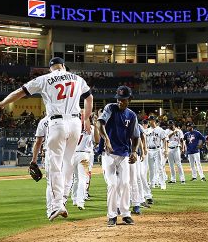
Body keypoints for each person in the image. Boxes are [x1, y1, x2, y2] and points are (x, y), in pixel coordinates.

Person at [0, 57, 93, 221]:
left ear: (51, 69)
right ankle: (63, 200)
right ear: (63, 66)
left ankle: (56, 206)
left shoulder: (45, 78)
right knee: (68, 164)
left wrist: (2, 104)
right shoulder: (77, 78)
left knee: (54, 166)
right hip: (76, 123)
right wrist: (86, 119)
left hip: (56, 122)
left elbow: (20, 92)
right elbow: (89, 98)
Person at [97, 85, 140, 227]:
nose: (120, 102)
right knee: (112, 184)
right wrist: (107, 140)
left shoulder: (132, 115)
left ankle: (126, 214)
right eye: (119, 99)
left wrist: (134, 151)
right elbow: (100, 123)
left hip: (124, 154)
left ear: (129, 99)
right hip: (108, 154)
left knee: (125, 183)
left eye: (123, 99)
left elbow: (135, 137)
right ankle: (112, 216)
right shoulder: (110, 108)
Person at [71, 113, 99, 210]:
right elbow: (97, 140)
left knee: (75, 178)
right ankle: (80, 202)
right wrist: (95, 125)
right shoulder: (90, 128)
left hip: (73, 154)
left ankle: (74, 199)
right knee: (83, 178)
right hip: (84, 155)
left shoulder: (74, 126)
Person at [145, 115, 168, 189]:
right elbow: (144, 140)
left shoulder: (160, 130)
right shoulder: (147, 130)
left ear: (154, 121)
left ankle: (162, 184)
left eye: (150, 120)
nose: (149, 121)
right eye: (148, 120)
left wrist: (165, 150)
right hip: (149, 150)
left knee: (159, 167)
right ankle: (152, 184)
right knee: (151, 169)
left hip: (157, 149)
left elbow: (165, 140)